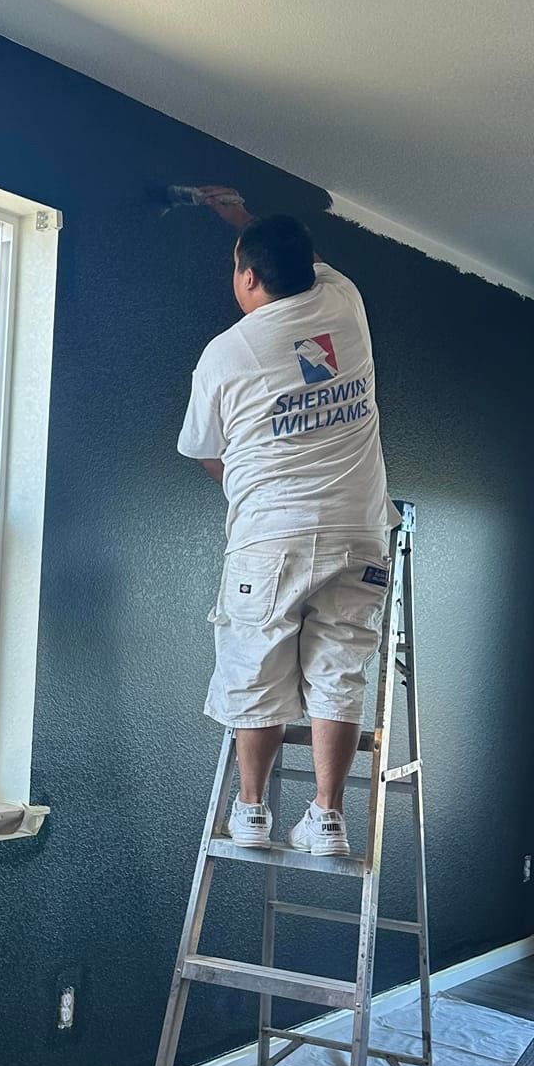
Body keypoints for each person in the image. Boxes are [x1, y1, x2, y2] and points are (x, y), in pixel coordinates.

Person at [177, 192, 397, 858]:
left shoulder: (225, 353)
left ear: (247, 277)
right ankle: (327, 817)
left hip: (272, 538)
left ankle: (251, 812)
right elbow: (313, 259)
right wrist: (246, 218)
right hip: (362, 531)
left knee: (256, 666)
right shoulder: (345, 302)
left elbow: (206, 455)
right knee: (341, 668)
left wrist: (255, 479)